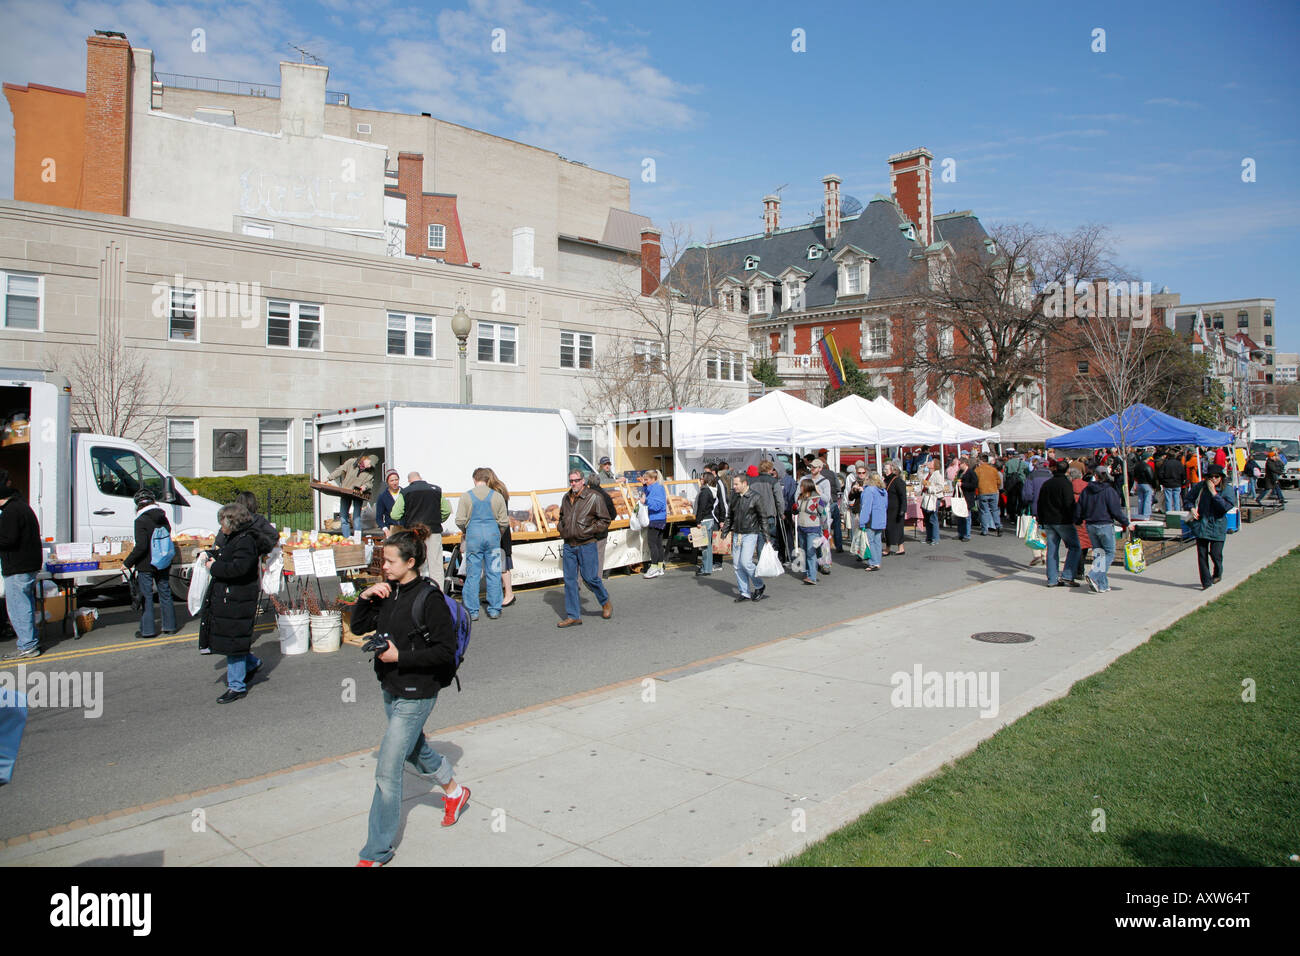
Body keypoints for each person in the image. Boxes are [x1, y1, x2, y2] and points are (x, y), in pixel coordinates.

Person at [351, 525, 469, 866]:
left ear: (411, 561)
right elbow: (359, 628)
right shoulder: (389, 592)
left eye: (389, 561)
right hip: (391, 687)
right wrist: (365, 597)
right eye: (383, 560)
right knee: (415, 749)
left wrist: (400, 656)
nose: (383, 566)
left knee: (388, 772)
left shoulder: (428, 599)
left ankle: (375, 851)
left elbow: (445, 652)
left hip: (417, 693)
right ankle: (455, 792)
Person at [199, 503, 263, 704]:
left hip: (238, 597)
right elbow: (232, 559)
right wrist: (214, 557)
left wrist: (214, 567)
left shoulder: (245, 541)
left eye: (222, 523)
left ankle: (237, 686)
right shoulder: (237, 538)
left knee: (233, 640)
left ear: (231, 522)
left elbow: (239, 568)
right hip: (233, 595)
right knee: (234, 637)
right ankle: (252, 663)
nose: (220, 527)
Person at [556, 470, 612, 627]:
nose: (573, 483)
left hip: (587, 544)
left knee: (590, 578)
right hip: (569, 545)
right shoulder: (566, 498)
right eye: (571, 481)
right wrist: (562, 528)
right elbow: (561, 517)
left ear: (583, 481)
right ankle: (573, 615)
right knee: (569, 581)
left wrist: (589, 530)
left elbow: (605, 520)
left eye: (576, 480)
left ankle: (605, 601)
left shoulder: (594, 497)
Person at [453, 468, 508, 621]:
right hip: (493, 537)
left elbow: (459, 521)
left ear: (474, 479)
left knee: (473, 574)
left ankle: (472, 611)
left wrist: (467, 530)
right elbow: (504, 522)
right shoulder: (497, 496)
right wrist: (499, 533)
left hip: (474, 537)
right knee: (494, 573)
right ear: (487, 478)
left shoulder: (466, 497)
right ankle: (494, 609)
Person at [0, 469, 42, 661]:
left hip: (18, 566)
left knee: (18, 607)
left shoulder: (10, 511)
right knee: (24, 604)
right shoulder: (22, 506)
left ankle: (27, 645)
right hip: (27, 564)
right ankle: (28, 643)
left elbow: (8, 539)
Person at [123, 489, 177, 640]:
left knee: (146, 596)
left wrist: (127, 563)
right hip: (163, 561)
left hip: (146, 563)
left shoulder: (140, 520)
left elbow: (141, 546)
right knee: (165, 593)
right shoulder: (162, 517)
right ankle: (170, 626)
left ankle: (148, 630)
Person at [1074, 465, 1133, 594]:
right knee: (1109, 553)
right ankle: (1094, 575)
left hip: (1090, 525)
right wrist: (1126, 523)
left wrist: (1078, 521)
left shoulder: (1086, 490)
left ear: (1095, 475)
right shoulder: (1109, 491)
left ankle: (1102, 584)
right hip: (1104, 525)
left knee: (1099, 553)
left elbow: (1080, 508)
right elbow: (1115, 511)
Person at [1186, 464, 1236, 590]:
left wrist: (1214, 493)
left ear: (1221, 477)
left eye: (1217, 477)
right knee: (1202, 554)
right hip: (1202, 524)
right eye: (1211, 477)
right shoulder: (1200, 486)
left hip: (1218, 525)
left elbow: (1226, 507)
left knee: (1215, 554)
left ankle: (1218, 573)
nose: (1214, 479)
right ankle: (1206, 582)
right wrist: (1191, 508)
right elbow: (1188, 499)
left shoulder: (1227, 489)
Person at [391, 472, 451, 577]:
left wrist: (405, 519)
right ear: (421, 478)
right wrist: (438, 519)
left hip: (415, 533)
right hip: (434, 531)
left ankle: (419, 592)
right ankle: (437, 592)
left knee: (417, 565)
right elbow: (447, 510)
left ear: (409, 481)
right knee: (436, 566)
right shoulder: (436, 490)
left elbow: (395, 515)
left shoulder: (405, 492)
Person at [721, 472, 769, 601]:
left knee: (746, 562)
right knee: (737, 565)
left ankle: (759, 585)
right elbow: (730, 516)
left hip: (750, 533)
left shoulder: (756, 497)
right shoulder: (734, 497)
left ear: (744, 483)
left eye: (736, 484)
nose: (734, 487)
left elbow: (762, 517)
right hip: (737, 533)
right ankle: (744, 592)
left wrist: (766, 536)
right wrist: (725, 531)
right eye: (733, 484)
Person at [1036, 459, 1081, 588]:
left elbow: (1040, 503)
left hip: (1049, 521)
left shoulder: (1047, 484)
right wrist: (1074, 517)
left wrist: (1041, 519)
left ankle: (1052, 578)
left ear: (1055, 468)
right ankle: (1067, 575)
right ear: (1067, 470)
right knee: (1074, 547)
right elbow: (1069, 503)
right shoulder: (1066, 484)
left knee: (1052, 549)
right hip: (1063, 521)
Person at [481, 469, 517, 607]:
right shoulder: (500, 488)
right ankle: (496, 594)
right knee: (498, 564)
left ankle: (509, 594)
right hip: (501, 530)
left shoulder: (495, 491)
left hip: (499, 531)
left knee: (502, 565)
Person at [327, 454, 375, 537]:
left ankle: (357, 539)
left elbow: (370, 483)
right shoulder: (351, 462)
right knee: (343, 517)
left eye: (372, 465)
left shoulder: (371, 471)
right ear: (366, 459)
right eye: (370, 463)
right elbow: (340, 470)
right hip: (346, 492)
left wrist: (365, 486)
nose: (370, 466)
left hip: (358, 494)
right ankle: (347, 537)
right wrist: (329, 478)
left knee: (356, 518)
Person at [584, 473, 617, 580]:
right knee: (599, 556)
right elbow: (613, 514)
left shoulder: (585, 495)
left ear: (588, 483)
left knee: (584, 555)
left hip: (587, 531)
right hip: (601, 531)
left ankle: (583, 578)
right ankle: (597, 579)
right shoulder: (606, 496)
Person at [793, 477, 825, 585]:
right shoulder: (800, 498)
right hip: (802, 528)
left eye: (802, 486)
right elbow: (797, 511)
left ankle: (812, 576)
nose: (800, 488)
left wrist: (824, 528)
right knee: (804, 551)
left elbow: (823, 513)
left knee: (811, 552)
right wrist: (795, 508)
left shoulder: (817, 499)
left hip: (813, 529)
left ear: (807, 487)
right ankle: (807, 573)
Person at [638, 469, 669, 579]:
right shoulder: (655, 487)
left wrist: (645, 502)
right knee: (658, 543)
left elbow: (657, 505)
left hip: (656, 519)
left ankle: (654, 567)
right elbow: (648, 492)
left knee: (652, 544)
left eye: (647, 480)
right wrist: (644, 486)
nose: (645, 481)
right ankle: (660, 566)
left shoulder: (657, 488)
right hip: (659, 518)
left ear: (654, 479)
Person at [694, 472, 721, 577]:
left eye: (701, 479)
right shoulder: (712, 490)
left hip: (704, 520)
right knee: (708, 546)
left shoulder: (705, 491)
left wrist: (698, 521)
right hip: (710, 519)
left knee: (704, 546)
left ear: (706, 480)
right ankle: (708, 567)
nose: (700, 481)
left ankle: (705, 568)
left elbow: (702, 508)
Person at [859, 472, 888, 572]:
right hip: (880, 519)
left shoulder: (869, 490)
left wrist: (862, 522)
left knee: (870, 541)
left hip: (870, 519)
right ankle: (877, 561)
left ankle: (873, 563)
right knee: (877, 541)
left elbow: (866, 507)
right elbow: (886, 505)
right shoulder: (883, 490)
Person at [883, 460, 908, 556]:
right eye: (884, 469)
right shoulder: (885, 480)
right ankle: (888, 547)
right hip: (888, 508)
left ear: (893, 470)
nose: (885, 471)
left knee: (898, 528)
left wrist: (903, 509)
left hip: (896, 508)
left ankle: (901, 547)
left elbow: (903, 496)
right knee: (887, 529)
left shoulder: (898, 480)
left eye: (886, 469)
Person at [974, 454, 1002, 536]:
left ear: (981, 461)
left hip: (982, 492)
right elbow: (999, 481)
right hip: (993, 491)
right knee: (995, 510)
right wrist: (996, 487)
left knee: (984, 511)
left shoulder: (977, 470)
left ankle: (985, 530)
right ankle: (998, 526)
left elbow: (975, 481)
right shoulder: (993, 470)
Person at [920, 460, 945, 545]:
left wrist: (930, 487)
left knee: (933, 517)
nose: (929, 462)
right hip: (926, 497)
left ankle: (935, 538)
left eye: (931, 462)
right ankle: (929, 537)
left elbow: (941, 487)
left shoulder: (938, 475)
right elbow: (920, 478)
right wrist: (921, 467)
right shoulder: (927, 474)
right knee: (927, 518)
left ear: (934, 466)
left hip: (934, 498)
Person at [955, 457, 978, 542]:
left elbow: (974, 485)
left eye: (960, 464)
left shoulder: (971, 473)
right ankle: (960, 533)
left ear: (965, 464)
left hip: (968, 497)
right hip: (960, 497)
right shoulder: (960, 472)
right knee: (960, 516)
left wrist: (963, 484)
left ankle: (967, 535)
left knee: (967, 516)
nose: (959, 465)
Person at [1129, 452, 1156, 521]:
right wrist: (1154, 486)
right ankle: (1146, 515)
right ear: (1147, 458)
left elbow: (1134, 475)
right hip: (1146, 484)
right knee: (1147, 500)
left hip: (1139, 483)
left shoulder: (1137, 466)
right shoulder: (1147, 466)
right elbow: (1151, 477)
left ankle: (1140, 514)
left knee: (1140, 500)